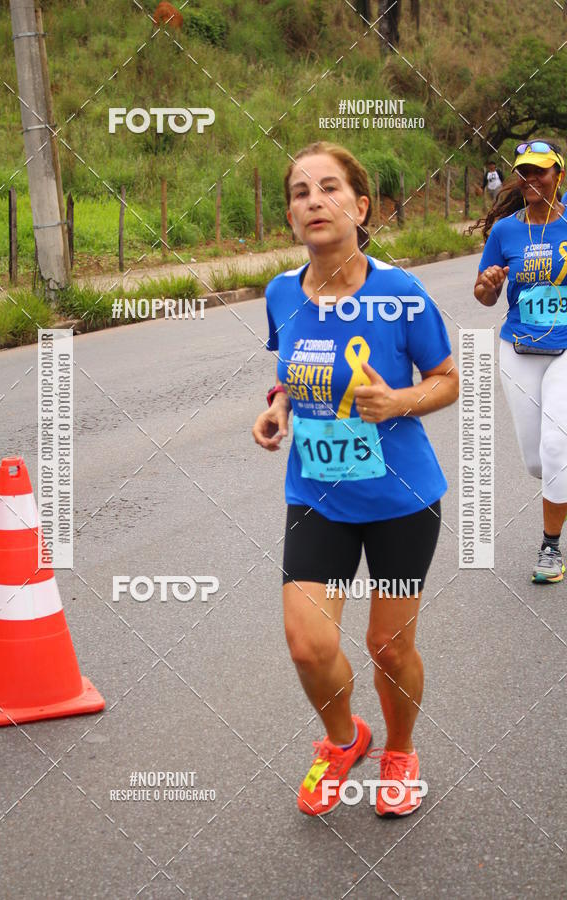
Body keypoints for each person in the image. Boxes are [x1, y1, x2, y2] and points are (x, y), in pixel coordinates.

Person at [252, 141, 459, 818]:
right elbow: (294, 371)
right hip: (316, 493)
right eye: (300, 191)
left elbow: (447, 379)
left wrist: (399, 402)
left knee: (387, 646)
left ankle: (400, 750)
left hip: (400, 498)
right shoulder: (282, 292)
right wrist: (277, 409)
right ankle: (345, 740)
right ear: (289, 214)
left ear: (360, 206)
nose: (313, 200)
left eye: (329, 188)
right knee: (308, 645)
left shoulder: (400, 293)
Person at [474, 139, 567, 583]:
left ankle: (550, 547)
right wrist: (490, 284)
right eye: (525, 172)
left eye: (540, 171)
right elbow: (483, 295)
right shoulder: (505, 232)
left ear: (558, 176)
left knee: (556, 447)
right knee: (537, 462)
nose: (531, 179)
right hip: (519, 347)